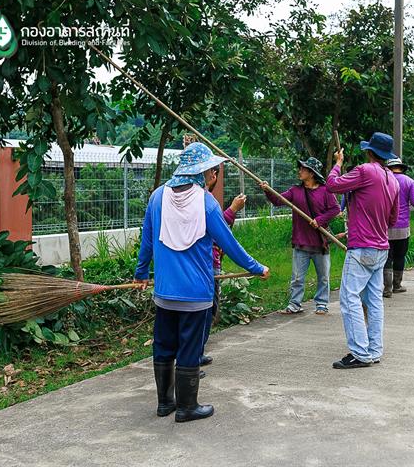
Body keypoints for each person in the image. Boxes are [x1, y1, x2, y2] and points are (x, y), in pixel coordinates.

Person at [134, 142, 269, 423]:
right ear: (201, 171)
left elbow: (147, 239)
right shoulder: (207, 203)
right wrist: (256, 268)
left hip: (165, 292)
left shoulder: (157, 197)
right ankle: (186, 407)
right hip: (196, 295)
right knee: (189, 349)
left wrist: (141, 273)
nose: (212, 173)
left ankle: (164, 403)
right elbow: (228, 243)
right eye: (211, 169)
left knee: (164, 345)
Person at [326, 132, 399, 369]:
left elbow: (332, 185)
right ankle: (374, 350)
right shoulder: (393, 180)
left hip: (361, 248)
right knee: (374, 300)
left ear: (370, 152)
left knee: (349, 299)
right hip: (381, 247)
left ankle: (359, 353)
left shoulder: (365, 170)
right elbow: (393, 218)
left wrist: (337, 164)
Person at [260, 157, 340, 315]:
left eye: (303, 169)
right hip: (301, 242)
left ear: (311, 173)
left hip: (320, 243)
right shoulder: (295, 191)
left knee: (323, 277)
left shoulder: (325, 191)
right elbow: (277, 200)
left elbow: (335, 209)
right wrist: (267, 190)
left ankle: (322, 304)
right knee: (297, 277)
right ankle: (294, 304)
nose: (299, 171)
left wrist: (319, 220)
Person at [200, 163, 247, 368]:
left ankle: (196, 353)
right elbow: (221, 233)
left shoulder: (204, 199)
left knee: (207, 311)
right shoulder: (203, 201)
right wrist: (233, 210)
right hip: (206, 265)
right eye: (211, 171)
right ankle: (191, 359)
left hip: (206, 264)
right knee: (204, 311)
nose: (213, 174)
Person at [383, 158, 414, 297]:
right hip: (402, 227)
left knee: (387, 257)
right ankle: (397, 285)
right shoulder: (409, 181)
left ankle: (386, 288)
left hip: (384, 226)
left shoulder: (383, 180)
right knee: (400, 256)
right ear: (401, 167)